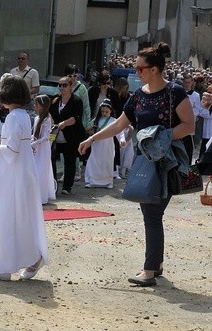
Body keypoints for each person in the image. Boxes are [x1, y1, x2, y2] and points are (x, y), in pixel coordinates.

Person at [78, 42, 194, 287]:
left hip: (168, 161)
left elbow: (189, 126)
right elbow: (120, 125)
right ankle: (156, 264)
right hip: (145, 161)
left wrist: (159, 136)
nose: (136, 72)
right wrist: (91, 138)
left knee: (152, 213)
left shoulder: (175, 92)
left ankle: (149, 270)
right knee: (153, 213)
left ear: (154, 69)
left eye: (140, 68)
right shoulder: (138, 96)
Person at [0, 75, 48, 281]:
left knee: (6, 216)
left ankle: (2, 267)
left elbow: (13, 149)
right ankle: (30, 257)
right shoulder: (23, 115)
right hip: (20, 172)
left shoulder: (14, 117)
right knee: (19, 217)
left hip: (13, 175)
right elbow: (17, 147)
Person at [50, 76, 85, 195]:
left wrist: (64, 123)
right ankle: (52, 184)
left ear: (71, 86)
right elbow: (49, 115)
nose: (61, 87)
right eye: (59, 85)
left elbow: (76, 118)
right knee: (51, 159)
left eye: (64, 85)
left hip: (71, 136)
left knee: (69, 161)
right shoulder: (55, 100)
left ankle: (67, 186)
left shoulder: (76, 101)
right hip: (55, 136)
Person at [84, 100, 125, 189]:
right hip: (97, 144)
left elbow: (120, 132)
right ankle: (91, 180)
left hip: (108, 145)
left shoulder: (113, 120)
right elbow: (88, 127)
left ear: (111, 111)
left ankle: (108, 182)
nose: (104, 113)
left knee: (107, 162)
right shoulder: (97, 120)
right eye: (103, 111)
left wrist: (122, 139)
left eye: (106, 112)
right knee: (94, 161)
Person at [31, 94, 56, 204]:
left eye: (36, 103)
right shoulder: (37, 118)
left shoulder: (47, 119)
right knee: (35, 170)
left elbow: (46, 137)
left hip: (43, 149)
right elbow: (34, 133)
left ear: (42, 105)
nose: (34, 105)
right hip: (36, 147)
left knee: (41, 170)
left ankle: (41, 196)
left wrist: (35, 142)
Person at [10, 51, 40, 116]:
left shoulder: (33, 72)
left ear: (27, 60)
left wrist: (23, 93)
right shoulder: (12, 71)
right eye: (19, 58)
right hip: (14, 101)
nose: (20, 60)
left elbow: (36, 88)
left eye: (23, 59)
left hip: (27, 102)